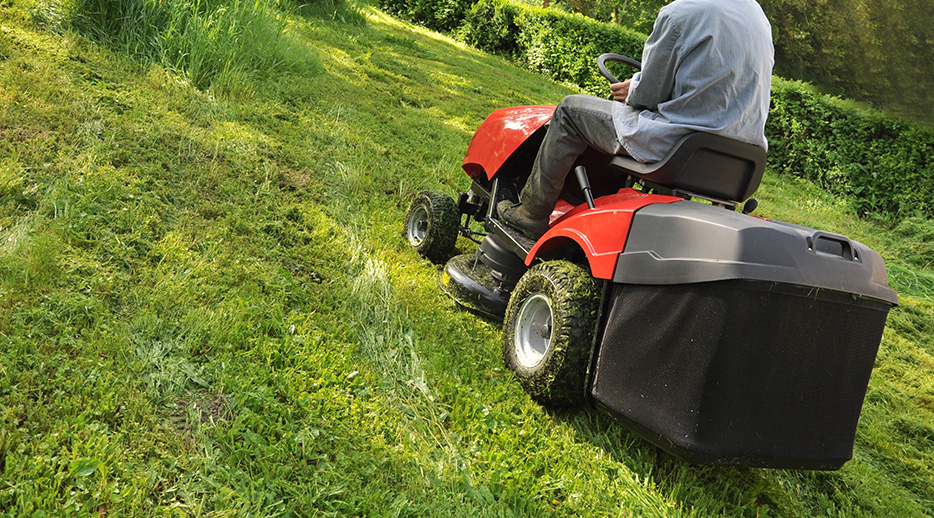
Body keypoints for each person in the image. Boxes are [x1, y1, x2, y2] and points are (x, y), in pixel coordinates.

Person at [499, 0, 774, 239]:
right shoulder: (758, 19)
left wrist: (633, 89)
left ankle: (531, 213)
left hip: (677, 147)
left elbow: (650, 93)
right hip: (741, 162)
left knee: (570, 110)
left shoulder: (682, 13)